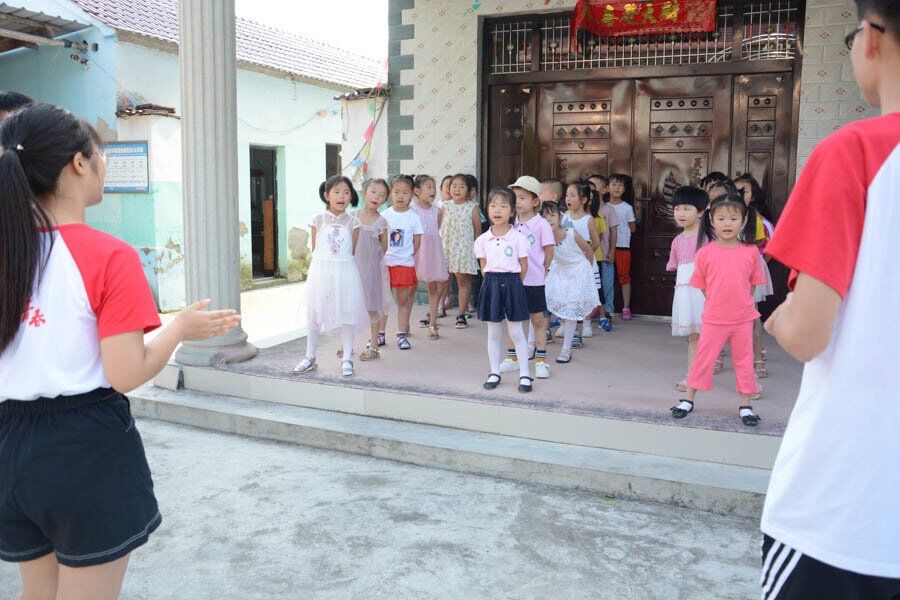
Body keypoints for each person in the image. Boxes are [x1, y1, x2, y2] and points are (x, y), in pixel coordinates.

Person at [0, 103, 240, 599]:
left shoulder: (9, 253)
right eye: (99, 153)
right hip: (83, 448)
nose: (102, 163)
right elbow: (126, 372)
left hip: (9, 444)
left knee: (37, 591)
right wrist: (179, 329)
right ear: (79, 163)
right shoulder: (109, 255)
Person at [760, 1, 900, 595]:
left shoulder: (856, 151)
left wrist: (774, 318)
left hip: (850, 512)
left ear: (872, 37)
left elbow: (806, 333)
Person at [669, 192, 764, 426]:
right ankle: (688, 400)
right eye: (721, 219)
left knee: (744, 361)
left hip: (742, 319)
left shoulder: (751, 251)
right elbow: (702, 286)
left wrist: (740, 304)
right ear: (712, 221)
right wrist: (717, 303)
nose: (727, 224)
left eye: (733, 218)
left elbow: (752, 284)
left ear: (744, 220)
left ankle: (746, 405)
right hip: (714, 318)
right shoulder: (705, 252)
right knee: (703, 359)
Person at [293, 176, 369, 376]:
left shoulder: (354, 222)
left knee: (348, 313)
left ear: (351, 196)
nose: (341, 196)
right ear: (327, 195)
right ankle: (310, 357)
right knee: (315, 313)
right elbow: (315, 250)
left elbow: (351, 251)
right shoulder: (318, 220)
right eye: (336, 192)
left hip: (345, 273)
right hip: (321, 272)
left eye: (346, 192)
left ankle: (347, 358)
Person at [476, 188, 533, 393]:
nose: (497, 210)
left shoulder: (519, 238)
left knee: (516, 332)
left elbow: (523, 267)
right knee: (493, 332)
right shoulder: (482, 240)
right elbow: (483, 267)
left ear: (512, 211)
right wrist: (493, 284)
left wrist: (513, 285)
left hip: (513, 283)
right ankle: (494, 372)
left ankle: (524, 374)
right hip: (491, 283)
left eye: (503, 206)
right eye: (493, 205)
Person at [499, 176, 554, 379]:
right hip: (514, 280)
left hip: (534, 281)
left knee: (537, 321)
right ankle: (512, 357)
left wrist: (542, 269)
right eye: (515, 198)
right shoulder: (511, 223)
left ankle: (541, 360)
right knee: (513, 320)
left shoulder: (541, 225)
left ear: (535, 201)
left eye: (523, 197)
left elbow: (549, 251)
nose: (518, 202)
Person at [541, 201, 597, 364]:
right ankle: (533, 345)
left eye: (552, 215)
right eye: (545, 216)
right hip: (561, 271)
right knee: (543, 301)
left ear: (560, 218)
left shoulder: (571, 233)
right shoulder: (544, 238)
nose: (549, 219)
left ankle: (566, 350)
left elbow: (588, 251)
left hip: (578, 271)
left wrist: (587, 275)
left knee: (571, 309)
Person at [665, 186, 709, 392]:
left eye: (686, 208)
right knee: (694, 335)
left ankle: (746, 379)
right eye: (677, 208)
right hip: (686, 294)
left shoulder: (709, 238)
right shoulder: (677, 240)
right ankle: (693, 376)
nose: (680, 213)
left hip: (706, 292)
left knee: (714, 335)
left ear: (700, 211)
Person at [735, 173, 774, 378]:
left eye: (745, 191)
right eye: (736, 190)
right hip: (727, 271)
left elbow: (765, 249)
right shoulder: (719, 215)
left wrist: (758, 266)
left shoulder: (756, 220)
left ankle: (757, 358)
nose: (740, 194)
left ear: (754, 195)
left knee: (752, 314)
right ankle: (717, 357)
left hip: (748, 271)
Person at [382, 174, 424, 350]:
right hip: (385, 264)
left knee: (403, 301)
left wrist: (406, 255)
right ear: (390, 193)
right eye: (397, 192)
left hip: (404, 264)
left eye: (405, 192)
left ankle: (401, 335)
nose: (400, 196)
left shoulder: (414, 217)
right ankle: (380, 334)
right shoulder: (384, 215)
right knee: (383, 301)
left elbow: (417, 241)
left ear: (412, 194)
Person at [354, 178, 393, 358]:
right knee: (351, 306)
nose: (376, 197)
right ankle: (347, 344)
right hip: (353, 270)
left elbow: (384, 247)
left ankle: (374, 346)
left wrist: (372, 261)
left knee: (372, 306)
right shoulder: (353, 216)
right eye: (373, 192)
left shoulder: (381, 222)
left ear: (385, 200)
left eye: (382, 195)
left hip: (371, 271)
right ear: (364, 192)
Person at [562, 180, 601, 346]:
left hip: (583, 263)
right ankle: (564, 324)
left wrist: (586, 253)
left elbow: (596, 241)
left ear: (584, 200)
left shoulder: (588, 220)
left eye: (572, 195)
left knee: (584, 294)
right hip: (567, 263)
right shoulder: (564, 217)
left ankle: (586, 324)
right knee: (565, 294)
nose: (568, 198)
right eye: (567, 195)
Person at [440, 173, 480, 329]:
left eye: (462, 187)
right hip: (446, 247)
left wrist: (477, 251)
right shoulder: (445, 206)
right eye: (454, 186)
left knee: (463, 281)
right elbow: (439, 227)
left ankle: (461, 315)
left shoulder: (472, 207)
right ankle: (439, 308)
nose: (457, 189)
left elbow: (477, 230)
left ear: (468, 190)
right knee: (442, 279)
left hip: (464, 249)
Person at [411, 174, 449, 339]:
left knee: (433, 287)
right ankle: (404, 325)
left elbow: (436, 229)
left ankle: (432, 324)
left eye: (434, 187)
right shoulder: (411, 209)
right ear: (417, 191)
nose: (432, 190)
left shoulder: (437, 211)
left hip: (432, 251)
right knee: (410, 287)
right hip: (416, 250)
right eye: (428, 187)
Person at [589, 174, 619, 328]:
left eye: (593, 186)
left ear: (603, 190)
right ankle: (592, 309)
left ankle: (608, 311)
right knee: (592, 283)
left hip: (605, 254)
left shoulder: (609, 210)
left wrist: (612, 251)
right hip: (589, 255)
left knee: (607, 283)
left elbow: (613, 231)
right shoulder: (586, 211)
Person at [607, 173, 636, 320]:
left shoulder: (627, 208)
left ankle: (626, 307)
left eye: (620, 185)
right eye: (614, 184)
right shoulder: (603, 207)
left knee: (624, 278)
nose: (617, 188)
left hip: (623, 246)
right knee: (606, 279)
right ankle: (601, 307)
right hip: (605, 248)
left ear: (624, 189)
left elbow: (633, 228)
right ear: (607, 188)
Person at [587, 185, 611, 331]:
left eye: (591, 198)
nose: (588, 201)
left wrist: (588, 252)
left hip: (595, 258)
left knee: (597, 287)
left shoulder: (598, 218)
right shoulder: (569, 215)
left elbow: (598, 239)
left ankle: (602, 316)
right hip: (576, 259)